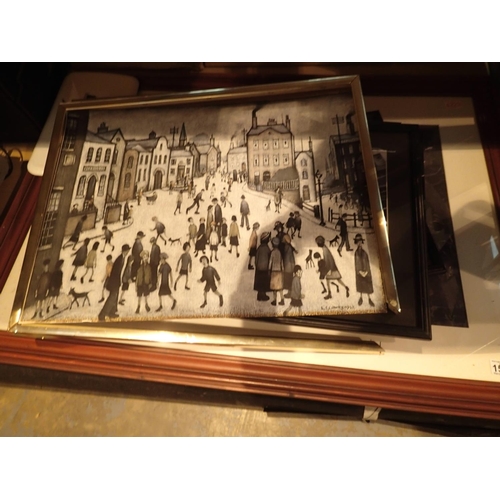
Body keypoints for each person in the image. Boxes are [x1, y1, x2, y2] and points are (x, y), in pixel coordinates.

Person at [98, 244, 131, 320]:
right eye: (127, 250)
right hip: (114, 282)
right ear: (124, 251)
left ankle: (111, 313)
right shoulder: (120, 259)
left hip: (116, 281)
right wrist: (117, 282)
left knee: (115, 298)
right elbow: (115, 272)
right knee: (112, 298)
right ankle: (102, 315)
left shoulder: (122, 258)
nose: (128, 252)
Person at [315, 235, 349, 299]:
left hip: (331, 268)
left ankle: (329, 294)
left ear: (319, 243)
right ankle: (346, 287)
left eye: (317, 243)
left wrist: (327, 270)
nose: (317, 244)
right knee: (338, 279)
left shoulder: (325, 250)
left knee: (328, 280)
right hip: (332, 267)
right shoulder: (325, 248)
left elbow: (327, 261)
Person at [353, 233, 375, 306]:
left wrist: (366, 271)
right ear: (356, 243)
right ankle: (361, 297)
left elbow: (367, 262)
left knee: (367, 285)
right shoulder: (356, 253)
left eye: (360, 241)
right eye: (358, 242)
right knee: (361, 285)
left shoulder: (364, 252)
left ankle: (369, 298)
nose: (359, 243)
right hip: (360, 272)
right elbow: (357, 263)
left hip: (366, 271)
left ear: (362, 242)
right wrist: (360, 271)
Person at [253, 232, 271, 301]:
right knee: (263, 282)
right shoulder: (267, 248)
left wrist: (257, 265)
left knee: (259, 282)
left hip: (259, 268)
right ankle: (263, 295)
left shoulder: (259, 248)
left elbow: (256, 258)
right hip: (264, 269)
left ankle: (259, 295)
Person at [268, 237, 285, 306]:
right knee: (280, 287)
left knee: (274, 287)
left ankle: (274, 300)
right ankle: (282, 299)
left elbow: (270, 262)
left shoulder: (272, 252)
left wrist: (269, 269)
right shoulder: (279, 252)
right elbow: (281, 262)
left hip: (274, 271)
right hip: (279, 271)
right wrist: (283, 270)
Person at [135, 250, 152, 314]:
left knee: (146, 295)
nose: (145, 258)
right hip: (140, 283)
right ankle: (138, 306)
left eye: (146, 257)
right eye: (144, 257)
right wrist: (136, 285)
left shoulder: (149, 267)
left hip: (146, 283)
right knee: (139, 295)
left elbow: (150, 275)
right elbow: (137, 276)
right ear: (142, 258)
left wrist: (150, 283)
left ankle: (146, 305)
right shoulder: (139, 266)